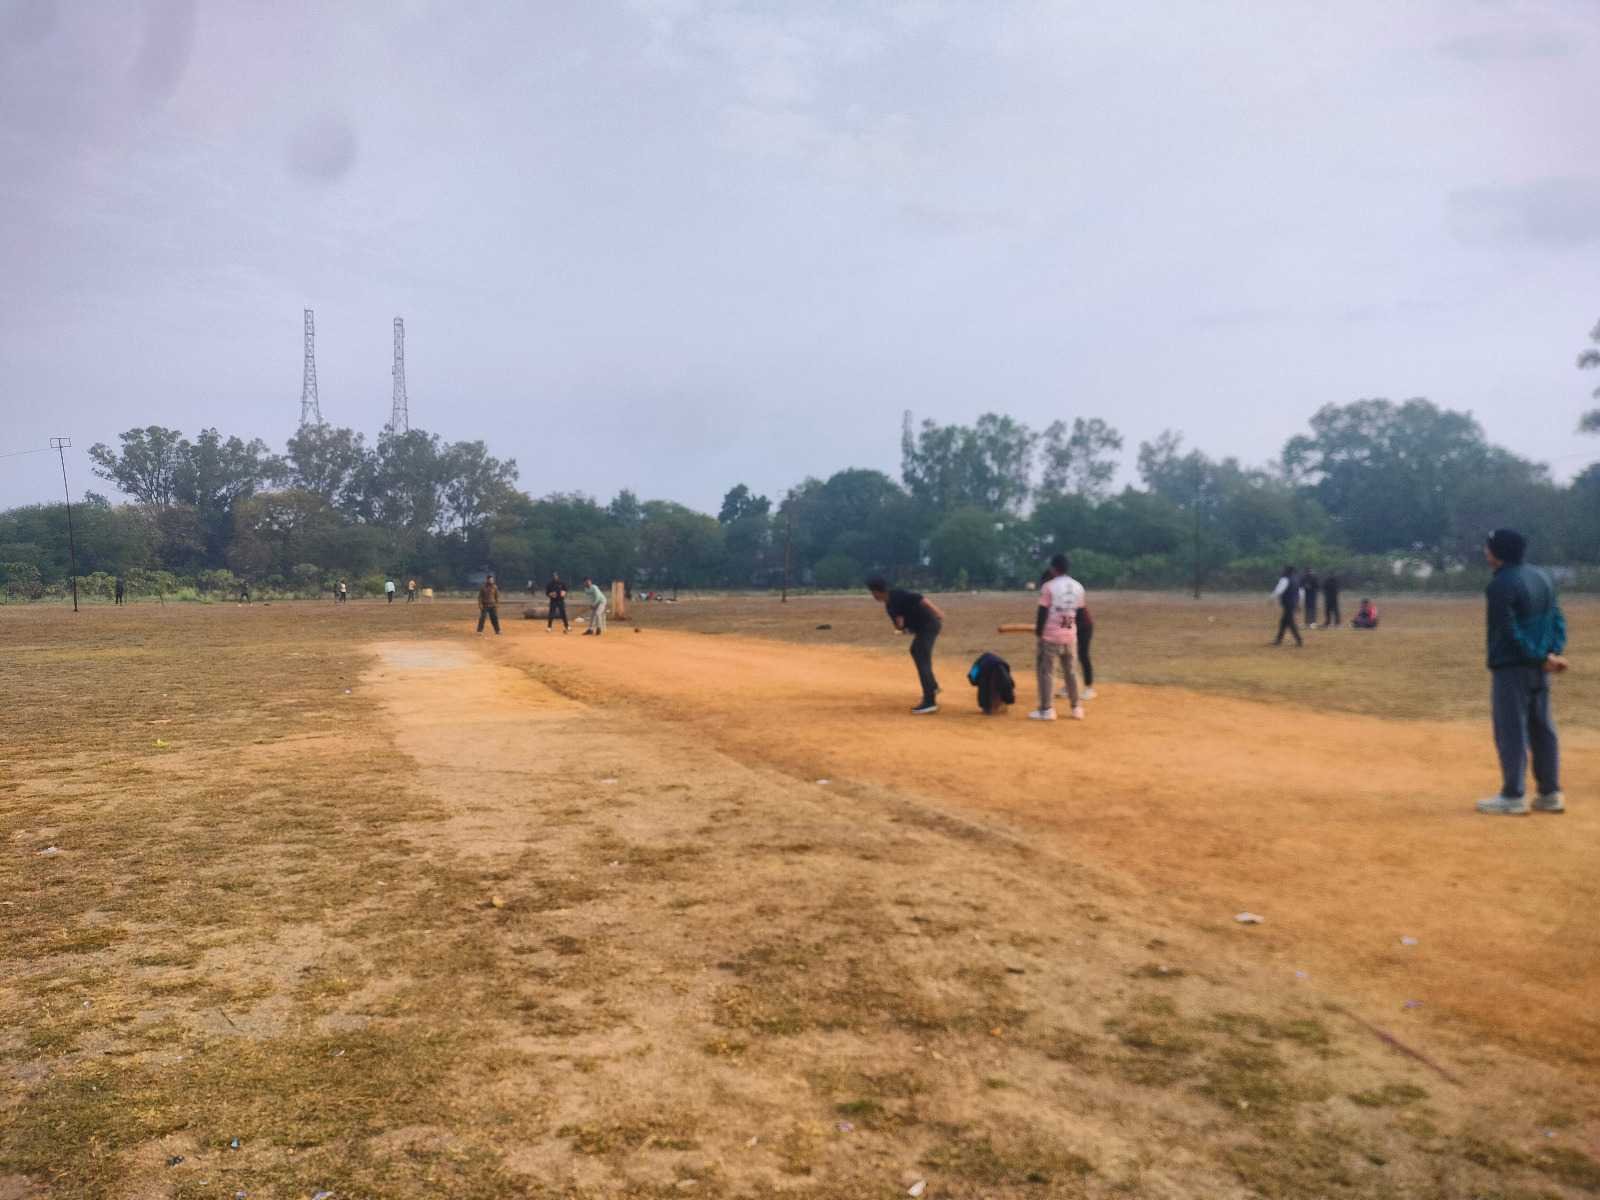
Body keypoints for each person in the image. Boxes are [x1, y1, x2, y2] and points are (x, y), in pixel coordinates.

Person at [1478, 529, 1567, 816]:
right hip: (1540, 666)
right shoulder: (1542, 577)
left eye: (1488, 547)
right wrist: (1551, 653)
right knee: (1542, 727)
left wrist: (1537, 656)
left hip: (1512, 667)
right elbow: (1556, 618)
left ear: (1497, 552)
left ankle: (1513, 795)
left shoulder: (1501, 584)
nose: (1485, 551)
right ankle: (1550, 793)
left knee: (1511, 729)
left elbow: (1508, 631)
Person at [866, 577, 944, 714]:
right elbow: (900, 626)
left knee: (921, 657)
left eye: (873, 592)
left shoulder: (897, 595)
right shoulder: (889, 605)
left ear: (877, 591)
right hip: (922, 628)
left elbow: (920, 599)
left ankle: (930, 701)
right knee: (915, 651)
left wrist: (937, 611)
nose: (873, 596)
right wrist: (901, 626)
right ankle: (932, 686)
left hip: (929, 624)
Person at [1030, 555, 1086, 722]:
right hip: (1070, 636)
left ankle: (1047, 709)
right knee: (1071, 672)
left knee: (1046, 672)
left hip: (1051, 636)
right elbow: (1080, 614)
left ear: (1053, 568)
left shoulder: (1049, 586)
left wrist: (1039, 632)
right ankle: (1076, 708)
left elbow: (1042, 612)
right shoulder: (1078, 587)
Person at [1271, 566, 1302, 646]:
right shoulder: (1296, 579)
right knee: (1283, 622)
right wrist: (1298, 603)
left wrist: (1272, 598)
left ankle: (1299, 640)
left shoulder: (1285, 579)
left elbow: (1279, 590)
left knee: (1290, 622)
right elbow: (1300, 592)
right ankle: (1278, 640)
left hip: (1287, 603)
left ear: (1287, 571)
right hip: (1293, 602)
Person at [1076, 602, 1097, 700]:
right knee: (1067, 656)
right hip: (1070, 627)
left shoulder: (1072, 597)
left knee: (1083, 655)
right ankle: (1070, 686)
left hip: (1084, 627)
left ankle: (1089, 688)